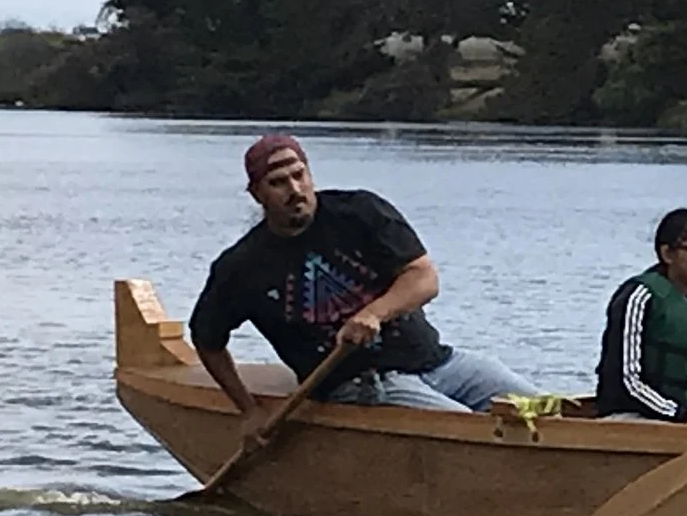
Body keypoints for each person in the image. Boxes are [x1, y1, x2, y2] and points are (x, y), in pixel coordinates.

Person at [189, 133, 541, 437]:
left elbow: (424, 278)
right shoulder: (242, 266)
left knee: (545, 412)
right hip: (364, 385)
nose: (294, 190)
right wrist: (249, 410)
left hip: (437, 362)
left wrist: (374, 313)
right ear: (257, 194)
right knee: (474, 434)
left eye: (299, 176)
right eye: (278, 183)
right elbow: (207, 339)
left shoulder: (359, 212)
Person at [596, 208, 687, 424]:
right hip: (628, 416)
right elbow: (627, 380)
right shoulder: (638, 297)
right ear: (668, 254)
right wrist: (680, 416)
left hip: (683, 418)